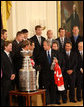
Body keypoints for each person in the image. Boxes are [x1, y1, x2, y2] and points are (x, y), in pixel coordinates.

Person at [39, 40, 62, 105]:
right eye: (43, 45)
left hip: (53, 75)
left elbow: (61, 62)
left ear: (49, 45)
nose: (43, 46)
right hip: (45, 75)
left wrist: (57, 61)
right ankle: (47, 103)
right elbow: (40, 64)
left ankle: (53, 102)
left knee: (53, 89)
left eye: (44, 45)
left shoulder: (56, 52)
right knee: (46, 90)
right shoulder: (42, 53)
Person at [1, 41, 15, 106]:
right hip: (5, 79)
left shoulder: (11, 54)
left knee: (9, 96)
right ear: (5, 47)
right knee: (4, 96)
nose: (11, 47)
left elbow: (13, 66)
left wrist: (13, 74)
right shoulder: (2, 55)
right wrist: (9, 75)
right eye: (10, 46)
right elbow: (3, 68)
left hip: (11, 79)